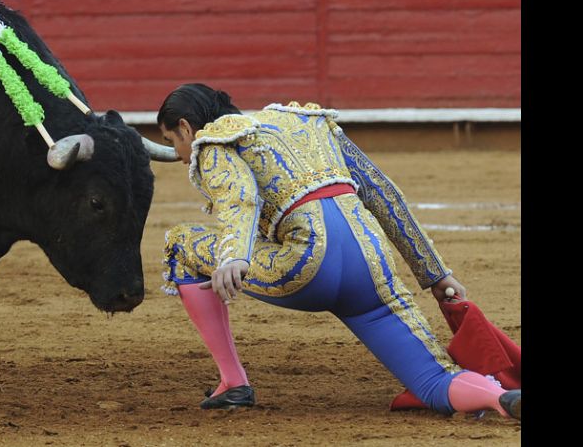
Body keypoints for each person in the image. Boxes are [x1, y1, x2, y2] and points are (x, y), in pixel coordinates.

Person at [157, 83, 520, 419]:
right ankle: (497, 397)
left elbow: (240, 197)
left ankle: (233, 383)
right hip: (372, 265)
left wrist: (234, 255)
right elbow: (381, 191)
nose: (178, 153)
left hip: (305, 266)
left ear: (186, 128)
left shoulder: (213, 142)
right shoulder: (310, 122)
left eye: (171, 140)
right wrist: (435, 274)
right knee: (434, 380)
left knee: (180, 243)